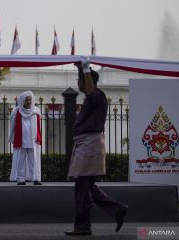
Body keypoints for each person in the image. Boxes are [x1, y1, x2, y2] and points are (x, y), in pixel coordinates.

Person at [65, 57, 128, 236]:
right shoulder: (91, 96)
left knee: (82, 189)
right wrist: (80, 68)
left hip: (89, 146)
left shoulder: (97, 95)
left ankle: (83, 227)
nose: (78, 83)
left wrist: (85, 69)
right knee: (87, 187)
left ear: (87, 81)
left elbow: (91, 91)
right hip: (86, 145)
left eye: (81, 80)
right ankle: (117, 209)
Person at [9, 91, 42, 185]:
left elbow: (39, 126)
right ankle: (21, 179)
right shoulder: (16, 111)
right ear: (22, 101)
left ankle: (35, 178)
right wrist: (12, 137)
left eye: (30, 100)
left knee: (34, 159)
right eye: (26, 100)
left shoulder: (36, 110)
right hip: (21, 139)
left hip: (33, 139)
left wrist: (39, 138)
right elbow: (12, 125)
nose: (28, 102)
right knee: (21, 159)